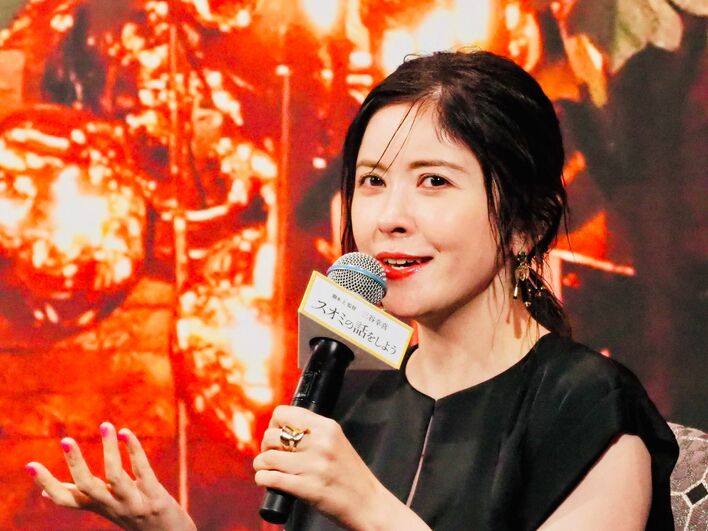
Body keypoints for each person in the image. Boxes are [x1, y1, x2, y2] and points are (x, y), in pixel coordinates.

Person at [26, 50, 678, 530]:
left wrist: (367, 505)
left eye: (434, 181)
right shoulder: (352, 399)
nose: (389, 216)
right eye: (372, 181)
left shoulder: (588, 407)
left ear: (526, 224)